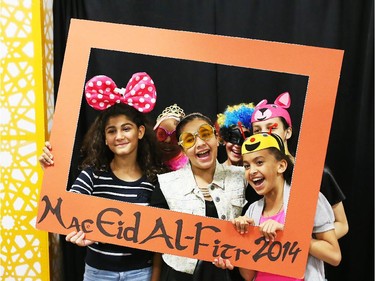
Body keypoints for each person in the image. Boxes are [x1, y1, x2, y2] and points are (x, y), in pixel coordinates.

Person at [43, 72, 167, 281]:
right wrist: (51, 166)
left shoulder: (153, 179)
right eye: (111, 131)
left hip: (141, 273)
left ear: (140, 132)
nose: (119, 136)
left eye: (126, 128)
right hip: (97, 273)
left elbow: (161, 236)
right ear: (105, 138)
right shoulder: (93, 174)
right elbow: (67, 207)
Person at [214, 133, 342, 281]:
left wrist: (288, 236)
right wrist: (244, 240)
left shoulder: (306, 201)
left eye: (259, 162)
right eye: (247, 166)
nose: (252, 171)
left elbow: (334, 255)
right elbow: (249, 275)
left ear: (281, 166)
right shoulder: (252, 211)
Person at [150, 112, 248, 281]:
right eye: (190, 140)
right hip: (179, 277)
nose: (200, 143)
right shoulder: (166, 184)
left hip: (229, 274)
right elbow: (153, 237)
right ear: (183, 149)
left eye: (205, 134)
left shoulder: (242, 178)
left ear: (217, 138)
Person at [250, 92, 348, 239]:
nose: (264, 135)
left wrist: (302, 243)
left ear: (287, 132)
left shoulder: (316, 172)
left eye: (272, 128)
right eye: (257, 130)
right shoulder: (254, 176)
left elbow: (342, 224)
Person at [153, 104, 189, 171]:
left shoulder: (190, 167)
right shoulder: (147, 160)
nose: (168, 140)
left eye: (174, 136)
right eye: (162, 134)